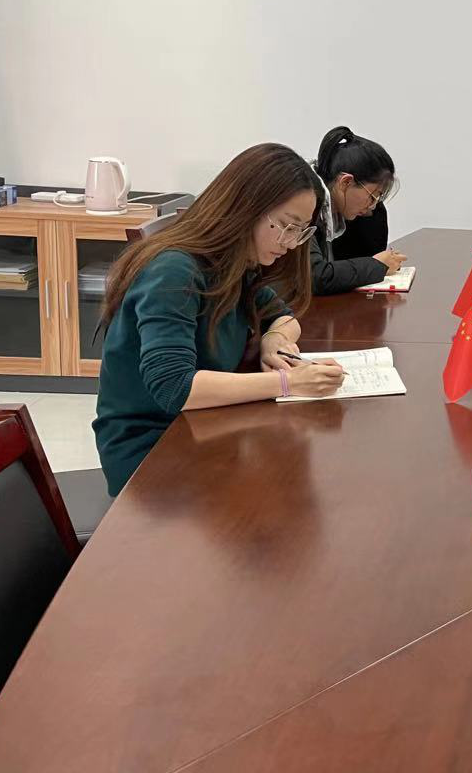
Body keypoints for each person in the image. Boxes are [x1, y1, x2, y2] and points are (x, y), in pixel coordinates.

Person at [93, 144, 346, 496]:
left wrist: (274, 340)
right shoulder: (174, 271)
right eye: (286, 226)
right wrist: (288, 383)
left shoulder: (233, 264)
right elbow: (175, 388)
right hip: (151, 452)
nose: (290, 244)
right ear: (246, 208)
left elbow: (284, 317)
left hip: (202, 424)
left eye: (300, 231)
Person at [310, 126, 406, 294]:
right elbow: (316, 276)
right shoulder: (306, 204)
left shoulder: (341, 212)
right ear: (345, 182)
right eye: (372, 196)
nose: (372, 206)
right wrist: (376, 265)